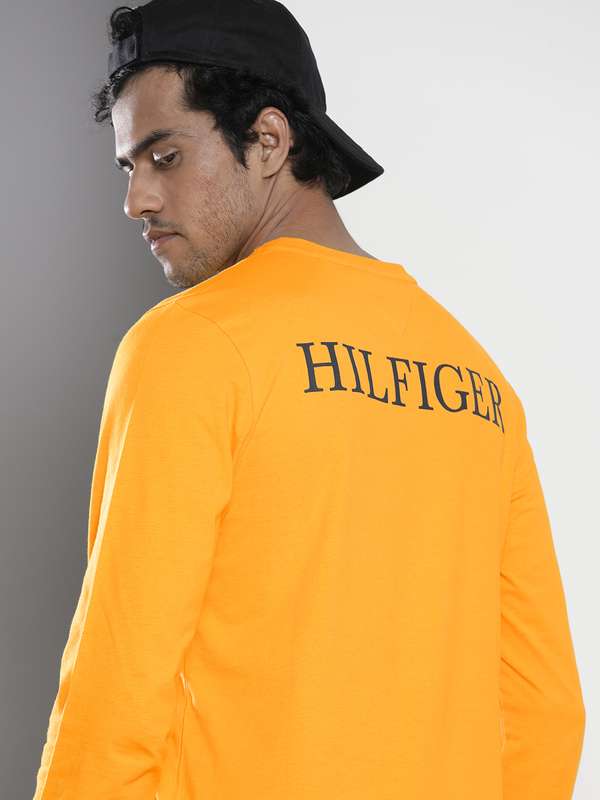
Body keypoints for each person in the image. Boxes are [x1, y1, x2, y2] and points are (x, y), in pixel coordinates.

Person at [32, 1, 586, 798]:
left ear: (268, 140)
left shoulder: (192, 345)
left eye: (165, 157)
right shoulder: (478, 379)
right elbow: (543, 708)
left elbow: (116, 690)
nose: (138, 200)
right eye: (129, 167)